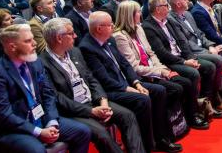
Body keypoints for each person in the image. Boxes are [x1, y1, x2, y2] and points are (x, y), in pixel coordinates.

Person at [79, 11, 182, 153]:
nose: (113, 27)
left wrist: (136, 83)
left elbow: (125, 64)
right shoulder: (86, 48)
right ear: (99, 28)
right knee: (142, 99)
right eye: (110, 25)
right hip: (111, 90)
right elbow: (103, 79)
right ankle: (147, 145)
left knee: (159, 91)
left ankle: (161, 137)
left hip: (126, 83)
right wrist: (128, 89)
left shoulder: (110, 39)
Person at [41, 18, 146, 153]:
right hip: (74, 111)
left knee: (128, 116)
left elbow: (91, 79)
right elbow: (58, 98)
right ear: (59, 38)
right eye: (71, 33)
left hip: (93, 102)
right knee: (101, 134)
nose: (75, 35)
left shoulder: (75, 52)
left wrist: (103, 101)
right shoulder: (43, 63)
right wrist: (91, 112)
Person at [0, 24, 91, 153]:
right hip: (10, 129)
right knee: (37, 150)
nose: (34, 43)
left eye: (33, 39)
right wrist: (39, 132)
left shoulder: (35, 62)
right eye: (28, 41)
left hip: (40, 118)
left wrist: (51, 122)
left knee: (82, 131)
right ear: (12, 47)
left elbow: (48, 94)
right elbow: (3, 115)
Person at [113, 0, 209, 130]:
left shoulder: (139, 28)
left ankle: (188, 117)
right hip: (141, 77)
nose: (141, 13)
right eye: (138, 12)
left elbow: (151, 53)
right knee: (177, 87)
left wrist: (162, 69)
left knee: (185, 82)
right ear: (129, 15)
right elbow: (134, 67)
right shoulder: (120, 37)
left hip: (155, 68)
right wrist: (160, 72)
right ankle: (169, 124)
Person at [141, 0, 222, 115]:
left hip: (182, 56)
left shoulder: (167, 20)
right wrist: (185, 62)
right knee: (193, 73)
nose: (169, 8)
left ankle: (208, 103)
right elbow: (162, 53)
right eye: (166, 5)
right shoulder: (148, 26)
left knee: (209, 66)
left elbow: (182, 42)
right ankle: (194, 110)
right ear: (158, 9)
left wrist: (191, 58)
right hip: (169, 62)